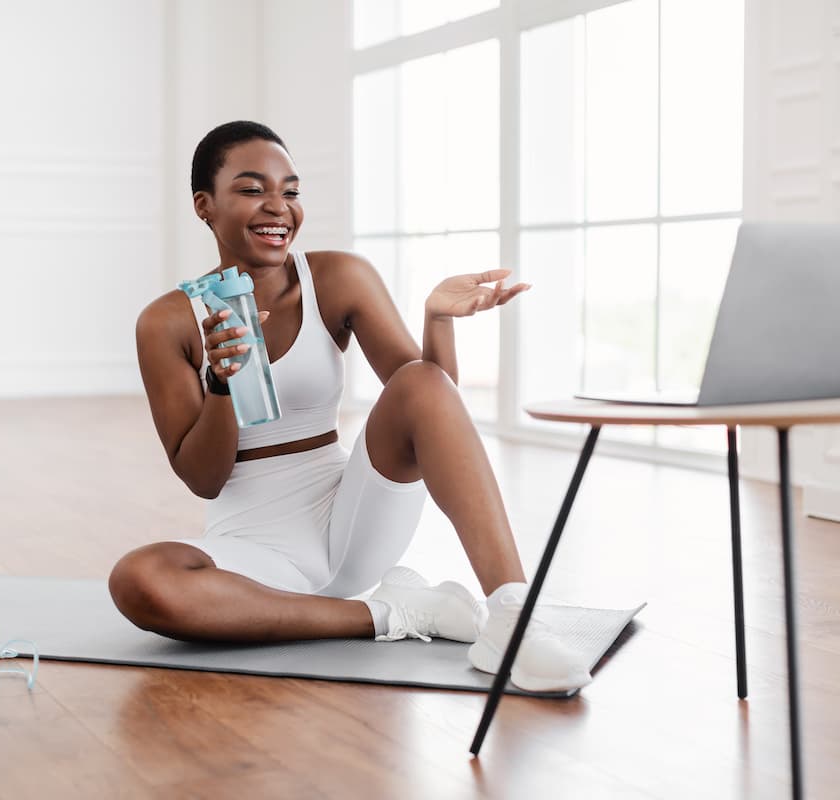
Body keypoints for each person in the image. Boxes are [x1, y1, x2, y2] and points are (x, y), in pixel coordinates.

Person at [108, 121, 589, 691]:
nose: (278, 207)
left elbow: (432, 405)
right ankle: (396, 613)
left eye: (290, 191)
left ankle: (513, 618)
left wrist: (437, 321)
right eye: (252, 189)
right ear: (204, 205)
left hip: (352, 518)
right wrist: (221, 382)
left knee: (417, 379)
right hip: (254, 550)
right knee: (139, 580)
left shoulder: (338, 277)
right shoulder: (166, 321)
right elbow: (203, 480)